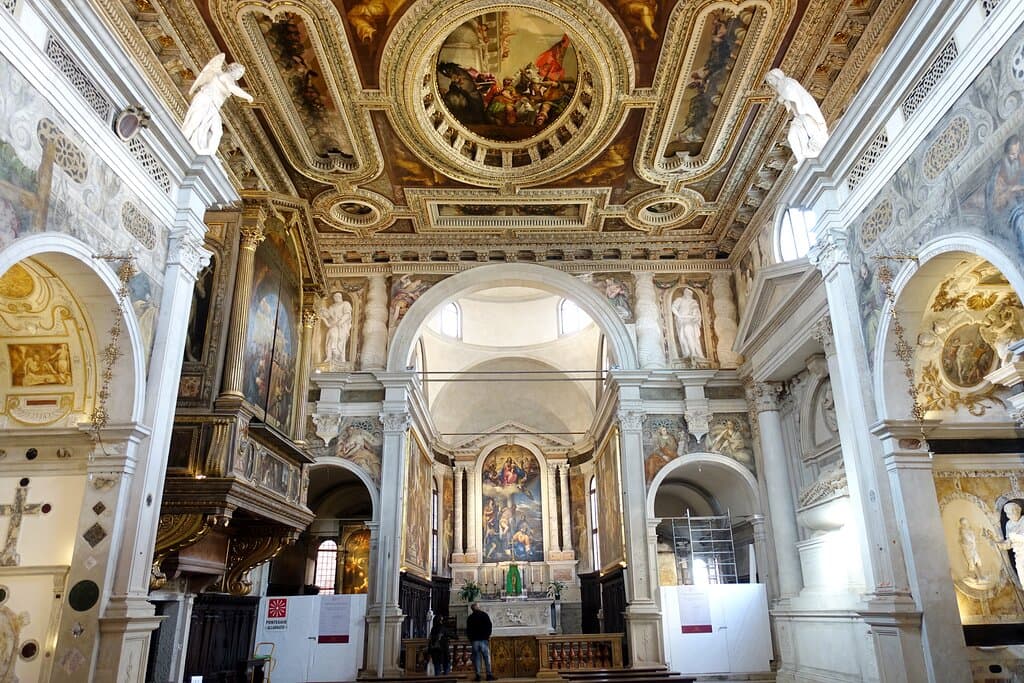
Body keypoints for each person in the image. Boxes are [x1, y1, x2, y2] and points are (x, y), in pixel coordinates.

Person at [181, 53, 254, 155]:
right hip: (206, 100)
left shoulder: (229, 79)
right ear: (233, 69)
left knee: (217, 131)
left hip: (213, 107)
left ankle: (208, 154)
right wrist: (248, 96)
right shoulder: (225, 76)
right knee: (194, 122)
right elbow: (233, 89)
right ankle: (181, 142)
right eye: (239, 71)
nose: (239, 75)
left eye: (241, 73)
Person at [764, 68, 829, 163]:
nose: (770, 82)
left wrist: (782, 97)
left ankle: (817, 148)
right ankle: (803, 159)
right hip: (799, 117)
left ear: (776, 76)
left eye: (770, 79)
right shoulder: (781, 87)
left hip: (804, 113)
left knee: (814, 133)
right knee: (791, 136)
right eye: (769, 81)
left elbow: (791, 92)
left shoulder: (787, 81)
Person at [672, 289, 706, 362]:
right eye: (687, 293)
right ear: (684, 293)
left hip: (689, 322)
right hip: (681, 321)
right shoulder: (680, 300)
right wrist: (679, 315)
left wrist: (694, 316)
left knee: (689, 334)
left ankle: (693, 352)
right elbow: (673, 307)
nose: (688, 295)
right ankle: (687, 352)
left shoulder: (693, 302)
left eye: (689, 294)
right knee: (682, 337)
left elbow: (696, 313)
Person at [466, 603, 496, 681]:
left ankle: (478, 675)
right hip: (483, 639)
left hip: (475, 640)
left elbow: (468, 630)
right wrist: (487, 636)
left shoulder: (470, 617)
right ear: (478, 608)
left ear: (472, 609)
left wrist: (471, 639)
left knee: (477, 658)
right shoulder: (484, 615)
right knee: (486, 658)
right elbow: (489, 626)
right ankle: (489, 675)